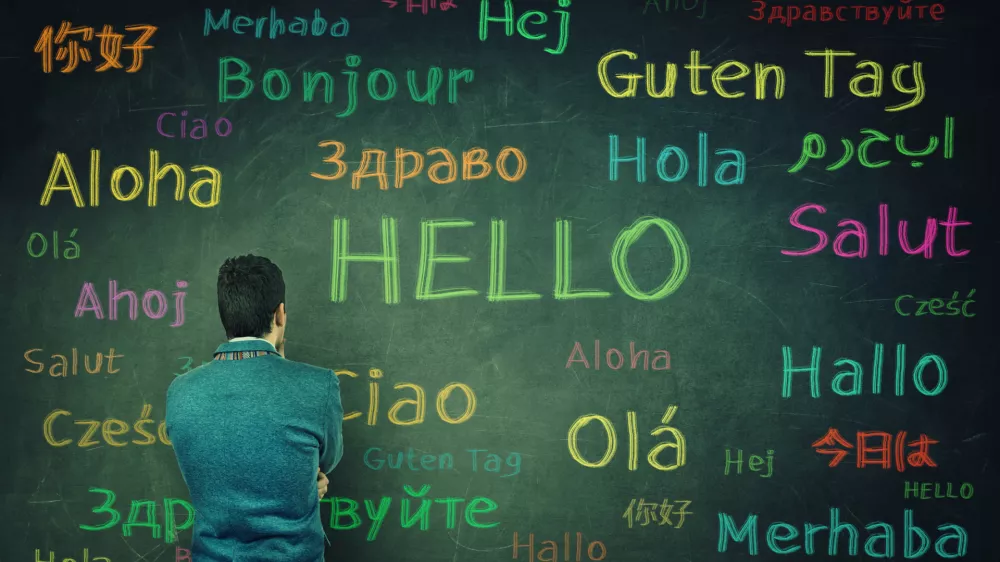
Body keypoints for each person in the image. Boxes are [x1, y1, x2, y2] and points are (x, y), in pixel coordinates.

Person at [166, 254, 344, 561]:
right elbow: (326, 460)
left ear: (226, 315)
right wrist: (302, 485)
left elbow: (216, 469)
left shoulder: (180, 391)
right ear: (280, 315)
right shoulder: (318, 386)